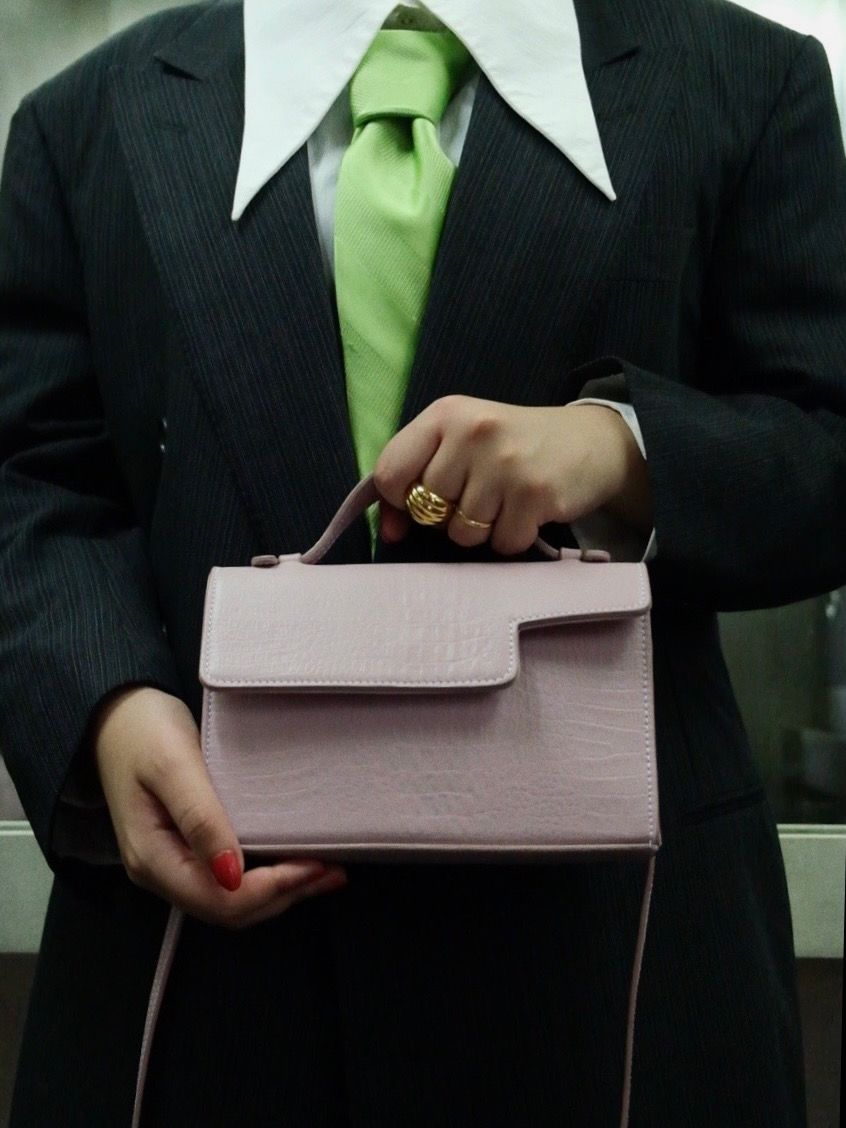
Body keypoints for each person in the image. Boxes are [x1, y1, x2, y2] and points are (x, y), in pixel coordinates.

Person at [1, 0, 845, 1123]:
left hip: (618, 977)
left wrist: (621, 450)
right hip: (201, 989)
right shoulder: (81, 122)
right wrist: (102, 703)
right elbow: (31, 475)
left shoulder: (750, 81)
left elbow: (826, 441)